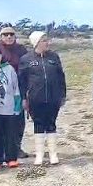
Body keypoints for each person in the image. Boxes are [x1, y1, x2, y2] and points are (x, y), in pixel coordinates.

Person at [18, 31, 66, 165]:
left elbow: (61, 77)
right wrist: (23, 98)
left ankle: (53, 154)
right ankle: (39, 155)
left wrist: (63, 95)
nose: (47, 42)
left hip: (53, 97)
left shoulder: (54, 57)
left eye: (47, 40)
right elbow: (22, 81)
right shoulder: (26, 59)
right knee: (38, 124)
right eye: (44, 40)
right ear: (37, 42)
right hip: (35, 98)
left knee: (51, 124)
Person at [0, 26, 29, 158]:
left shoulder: (21, 50)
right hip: (2, 89)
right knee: (3, 121)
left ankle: (16, 147)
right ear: (0, 37)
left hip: (19, 88)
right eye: (5, 34)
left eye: (11, 34)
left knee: (19, 121)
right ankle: (4, 150)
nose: (8, 37)